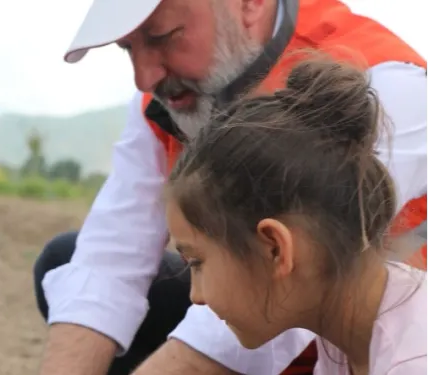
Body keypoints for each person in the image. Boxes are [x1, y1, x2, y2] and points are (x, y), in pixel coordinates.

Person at [33, 0, 428, 374]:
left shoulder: (387, 81)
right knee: (64, 258)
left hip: (366, 335)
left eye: (162, 36)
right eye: (127, 48)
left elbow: (286, 285)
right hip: (313, 333)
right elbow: (108, 261)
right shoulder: (162, 101)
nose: (143, 76)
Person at [164, 56, 428, 374]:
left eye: (197, 263)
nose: (196, 297)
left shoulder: (412, 361)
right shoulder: (353, 335)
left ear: (275, 248)